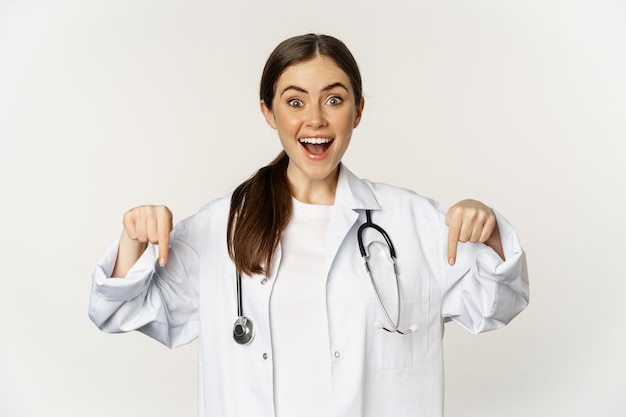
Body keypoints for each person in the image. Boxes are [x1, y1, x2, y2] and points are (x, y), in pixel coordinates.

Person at [89, 33, 529, 417]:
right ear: (268, 112)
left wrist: (487, 230)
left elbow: (498, 304)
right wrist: (134, 240)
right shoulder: (220, 226)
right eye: (295, 101)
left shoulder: (415, 223)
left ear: (357, 111)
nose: (315, 119)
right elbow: (118, 311)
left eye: (334, 99)